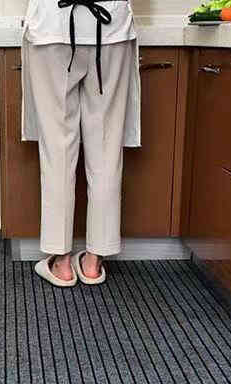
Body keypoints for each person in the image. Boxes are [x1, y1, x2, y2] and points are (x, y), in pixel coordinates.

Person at [21, 0, 141, 287]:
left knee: (57, 150)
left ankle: (61, 262)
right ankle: (93, 262)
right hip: (110, 28)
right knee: (106, 149)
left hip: (51, 27)